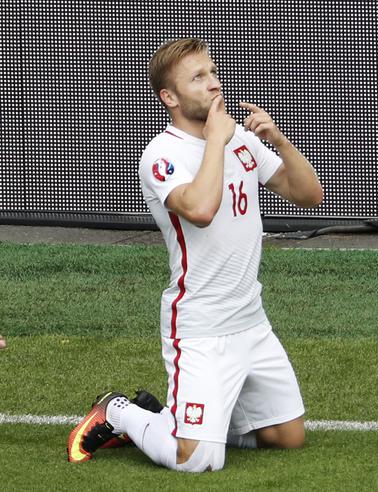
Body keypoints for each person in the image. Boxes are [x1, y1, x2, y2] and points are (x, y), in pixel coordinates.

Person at [67, 38, 323, 472]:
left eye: (212, 72)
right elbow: (201, 211)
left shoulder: (239, 139)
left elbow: (309, 195)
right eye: (198, 77)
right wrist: (216, 144)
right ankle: (118, 412)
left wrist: (275, 137)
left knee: (287, 438)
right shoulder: (161, 155)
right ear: (169, 97)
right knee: (196, 460)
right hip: (200, 327)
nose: (214, 83)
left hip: (251, 320)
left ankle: (184, 420)